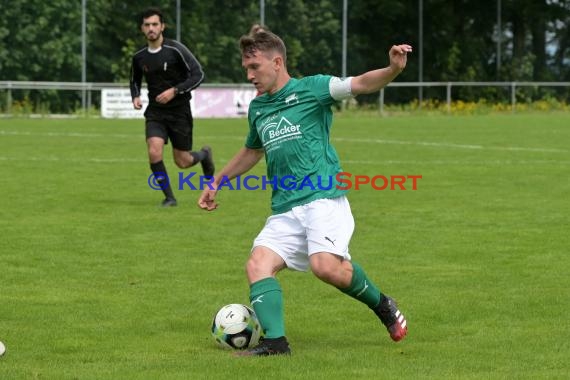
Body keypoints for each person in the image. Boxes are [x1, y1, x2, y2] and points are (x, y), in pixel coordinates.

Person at [198, 30, 412, 356]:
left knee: (325, 267)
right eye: (246, 68)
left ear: (277, 61)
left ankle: (382, 304)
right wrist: (217, 181)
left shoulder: (313, 89)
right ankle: (276, 343)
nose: (249, 74)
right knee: (258, 264)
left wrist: (393, 69)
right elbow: (252, 151)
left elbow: (361, 84)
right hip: (285, 208)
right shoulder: (258, 108)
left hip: (322, 199)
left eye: (254, 66)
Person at [130, 7, 214, 207]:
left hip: (179, 112)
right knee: (154, 151)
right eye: (147, 25)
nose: (151, 28)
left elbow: (198, 75)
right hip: (156, 113)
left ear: (162, 27)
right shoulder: (139, 57)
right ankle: (169, 198)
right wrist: (135, 96)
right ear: (142, 28)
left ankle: (204, 155)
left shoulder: (176, 50)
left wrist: (174, 91)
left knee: (182, 161)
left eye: (155, 24)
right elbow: (134, 80)